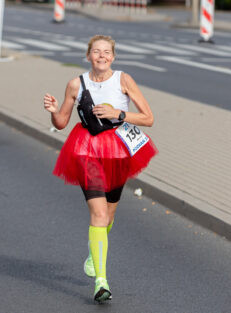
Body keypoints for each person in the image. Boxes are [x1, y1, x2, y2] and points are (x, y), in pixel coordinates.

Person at [43, 35, 158, 303]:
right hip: (85, 149)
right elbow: (61, 122)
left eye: (107, 52)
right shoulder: (75, 84)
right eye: (97, 52)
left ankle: (95, 251)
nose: (102, 56)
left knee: (108, 214)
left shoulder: (123, 80)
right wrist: (52, 111)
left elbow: (148, 118)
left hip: (118, 151)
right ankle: (101, 282)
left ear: (113, 57)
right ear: (88, 56)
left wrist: (117, 114)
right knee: (98, 212)